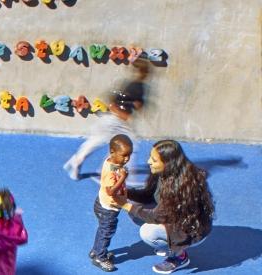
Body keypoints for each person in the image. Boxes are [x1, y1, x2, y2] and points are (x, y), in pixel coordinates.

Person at [114, 140, 215, 274]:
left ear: (167, 163)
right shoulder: (163, 173)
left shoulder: (180, 186)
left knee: (148, 232)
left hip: (192, 230)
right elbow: (149, 195)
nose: (149, 162)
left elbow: (155, 216)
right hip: (175, 216)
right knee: (136, 211)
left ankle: (179, 257)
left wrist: (125, 205)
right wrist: (125, 192)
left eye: (154, 160)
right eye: (150, 157)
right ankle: (167, 241)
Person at [63, 59, 150, 181]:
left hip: (109, 119)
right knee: (131, 143)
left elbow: (129, 103)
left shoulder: (135, 85)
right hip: (114, 120)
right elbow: (114, 104)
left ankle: (78, 161)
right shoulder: (136, 87)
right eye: (148, 71)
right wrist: (125, 117)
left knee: (97, 141)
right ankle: (121, 174)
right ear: (144, 72)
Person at [90, 134, 133, 272]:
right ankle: (100, 258)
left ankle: (96, 250)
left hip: (101, 203)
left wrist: (121, 172)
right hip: (108, 207)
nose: (127, 159)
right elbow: (110, 191)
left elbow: (116, 170)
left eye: (129, 155)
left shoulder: (111, 162)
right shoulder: (110, 171)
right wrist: (123, 178)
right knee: (107, 232)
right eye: (124, 155)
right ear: (112, 152)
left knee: (102, 229)